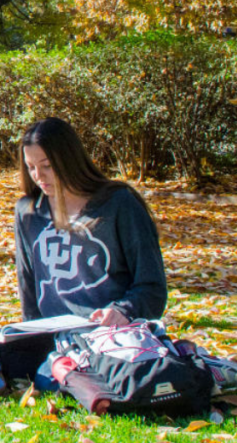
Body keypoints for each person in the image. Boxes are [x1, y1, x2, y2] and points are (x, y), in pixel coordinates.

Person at [14, 117, 167, 325]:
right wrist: (29, 340)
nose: (38, 176)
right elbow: (28, 290)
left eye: (47, 166)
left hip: (111, 338)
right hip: (52, 340)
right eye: (31, 167)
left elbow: (153, 287)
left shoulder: (119, 204)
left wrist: (123, 311)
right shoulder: (28, 212)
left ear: (70, 160)